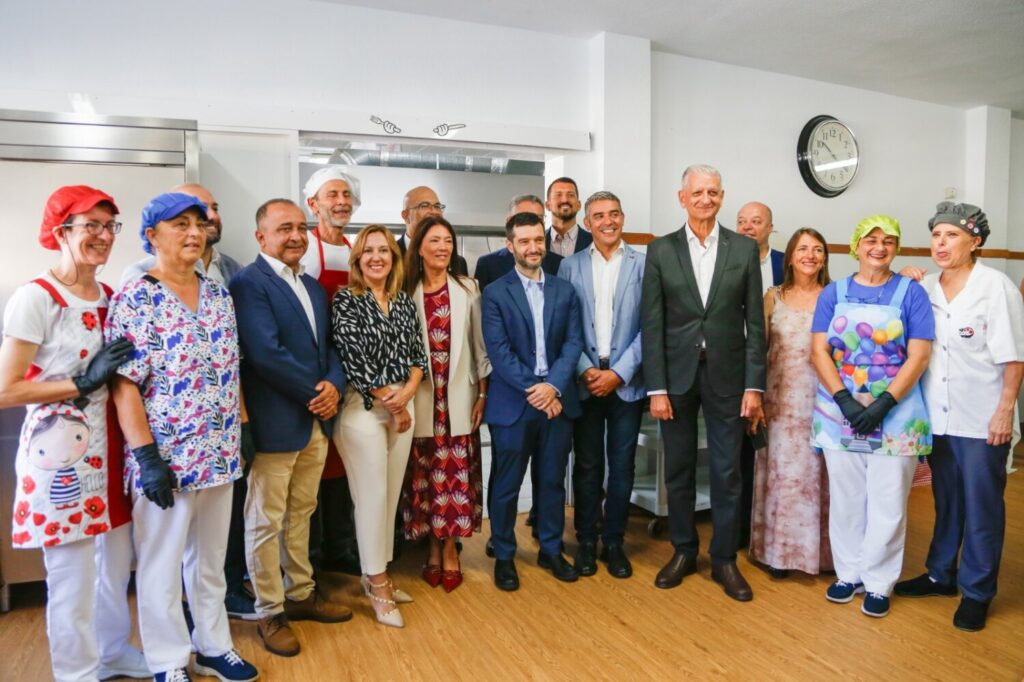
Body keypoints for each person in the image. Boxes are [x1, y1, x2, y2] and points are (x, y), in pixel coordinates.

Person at [0, 186, 149, 682]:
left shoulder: (110, 297)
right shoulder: (36, 298)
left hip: (111, 454)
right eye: (92, 226)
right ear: (62, 232)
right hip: (63, 456)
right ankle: (77, 672)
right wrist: (79, 381)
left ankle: (111, 651)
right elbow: (6, 390)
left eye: (110, 227)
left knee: (113, 569)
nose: (103, 236)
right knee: (71, 576)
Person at [107, 192, 257, 681]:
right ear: (151, 235)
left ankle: (213, 645)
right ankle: (168, 660)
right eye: (179, 225)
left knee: (211, 560)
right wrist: (146, 455)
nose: (193, 233)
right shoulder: (136, 295)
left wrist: (242, 426)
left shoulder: (217, 294)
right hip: (168, 455)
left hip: (220, 451)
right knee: (160, 564)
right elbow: (124, 383)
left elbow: (229, 368)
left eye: (199, 223)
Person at [229, 198, 351, 658]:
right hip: (277, 423)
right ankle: (269, 611)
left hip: (316, 424)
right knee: (264, 521)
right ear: (261, 237)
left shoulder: (314, 286)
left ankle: (301, 594)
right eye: (285, 228)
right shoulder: (249, 283)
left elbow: (332, 348)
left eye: (301, 227)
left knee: (302, 514)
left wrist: (334, 386)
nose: (297, 235)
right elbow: (264, 353)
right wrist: (315, 393)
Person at [893, 203, 1024, 631]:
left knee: (982, 505)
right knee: (946, 500)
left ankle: (978, 591)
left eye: (951, 236)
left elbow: (1013, 359)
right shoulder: (925, 286)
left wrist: (1004, 411)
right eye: (936, 236)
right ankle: (940, 574)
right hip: (937, 418)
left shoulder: (995, 287)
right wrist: (906, 279)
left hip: (983, 416)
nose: (941, 244)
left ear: (975, 242)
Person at [641, 164, 765, 602]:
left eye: (713, 192)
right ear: (682, 197)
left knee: (727, 471)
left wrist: (755, 386)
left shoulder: (744, 250)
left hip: (729, 377)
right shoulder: (660, 251)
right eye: (698, 192)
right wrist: (656, 388)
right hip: (675, 378)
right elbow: (651, 325)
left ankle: (725, 559)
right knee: (677, 468)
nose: (706, 199)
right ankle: (684, 550)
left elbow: (755, 324)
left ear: (722, 196)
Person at [810, 214, 934, 619]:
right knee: (846, 499)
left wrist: (884, 404)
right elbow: (819, 351)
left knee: (888, 502)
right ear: (856, 245)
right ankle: (849, 574)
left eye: (889, 241)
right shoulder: (834, 292)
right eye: (872, 240)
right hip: (838, 412)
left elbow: (919, 355)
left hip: (896, 416)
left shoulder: (911, 293)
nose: (879, 248)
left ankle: (879, 582)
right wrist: (845, 399)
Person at [482, 211, 584, 591]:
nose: (532, 247)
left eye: (538, 240)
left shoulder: (564, 290)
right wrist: (539, 391)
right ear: (510, 246)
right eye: (524, 241)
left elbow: (574, 343)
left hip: (557, 402)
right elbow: (500, 351)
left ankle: (551, 548)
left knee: (553, 482)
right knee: (507, 485)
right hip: (514, 405)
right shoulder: (494, 293)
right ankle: (505, 553)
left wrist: (554, 386)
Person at [332, 224, 427, 627]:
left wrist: (406, 397)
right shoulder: (346, 300)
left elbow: (418, 357)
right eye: (368, 250)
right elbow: (356, 363)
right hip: (363, 412)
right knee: (371, 498)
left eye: (384, 250)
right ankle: (378, 584)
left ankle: (378, 573)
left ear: (394, 257)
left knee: (389, 498)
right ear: (357, 259)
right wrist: (394, 402)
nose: (376, 257)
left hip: (402, 408)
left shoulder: (404, 303)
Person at [400, 215, 491, 592]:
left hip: (457, 398)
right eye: (434, 240)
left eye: (448, 241)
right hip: (420, 398)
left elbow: (480, 347)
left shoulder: (468, 288)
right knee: (426, 477)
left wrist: (483, 394)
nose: (442, 248)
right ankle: (433, 548)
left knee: (454, 476)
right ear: (419, 246)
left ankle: (450, 550)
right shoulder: (405, 290)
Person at [557, 191, 645, 579]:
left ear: (622, 217)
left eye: (613, 213)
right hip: (585, 380)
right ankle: (587, 541)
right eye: (598, 216)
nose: (607, 221)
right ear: (587, 222)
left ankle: (614, 541)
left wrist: (619, 372)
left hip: (626, 381)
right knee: (588, 465)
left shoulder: (644, 264)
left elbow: (650, 326)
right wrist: (585, 370)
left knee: (622, 466)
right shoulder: (569, 267)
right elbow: (562, 325)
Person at [749, 228, 833, 578]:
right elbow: (757, 350)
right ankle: (778, 553)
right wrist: (756, 398)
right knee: (781, 476)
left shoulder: (835, 296)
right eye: (802, 249)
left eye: (817, 249)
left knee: (819, 477)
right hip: (779, 399)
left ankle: (822, 555)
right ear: (791, 255)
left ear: (825, 257)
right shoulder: (773, 297)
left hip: (823, 399)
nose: (810, 255)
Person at [300, 166, 363, 576]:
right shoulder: (304, 247)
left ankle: (342, 547)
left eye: (346, 195)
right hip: (316, 375)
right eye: (332, 194)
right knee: (313, 466)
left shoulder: (360, 248)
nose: (341, 201)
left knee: (346, 463)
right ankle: (312, 555)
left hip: (355, 375)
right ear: (313, 203)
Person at [734, 201, 784, 546]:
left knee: (779, 450)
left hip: (783, 369)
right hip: (738, 367)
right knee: (742, 451)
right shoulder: (729, 260)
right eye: (741, 222)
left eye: (756, 221)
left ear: (770, 227)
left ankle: (776, 526)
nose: (748, 227)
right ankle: (741, 529)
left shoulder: (788, 263)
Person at [120, 183, 243, 286]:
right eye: (182, 223)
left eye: (215, 209)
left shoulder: (236, 270)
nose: (212, 216)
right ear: (153, 235)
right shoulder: (138, 278)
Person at [475, 194, 563, 290]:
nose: (530, 224)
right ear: (509, 221)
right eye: (523, 218)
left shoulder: (559, 264)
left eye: (538, 218)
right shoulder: (488, 265)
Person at [397, 186, 468, 275]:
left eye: (437, 206)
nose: (434, 211)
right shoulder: (389, 256)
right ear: (406, 215)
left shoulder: (458, 263)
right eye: (424, 206)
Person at [545, 177, 593, 258]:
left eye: (570, 195)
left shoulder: (595, 242)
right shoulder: (537, 242)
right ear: (548, 205)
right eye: (558, 195)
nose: (565, 200)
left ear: (579, 205)